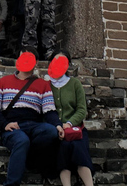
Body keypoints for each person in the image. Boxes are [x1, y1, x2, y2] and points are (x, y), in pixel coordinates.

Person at [0, 49, 64, 186]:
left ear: (35, 63)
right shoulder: (4, 81)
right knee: (21, 140)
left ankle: (27, 155)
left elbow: (49, 111)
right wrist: (4, 124)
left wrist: (58, 125)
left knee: (51, 132)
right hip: (13, 126)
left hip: (35, 126)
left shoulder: (43, 84)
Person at [47, 51, 94, 186]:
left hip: (75, 129)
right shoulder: (46, 85)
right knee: (63, 149)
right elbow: (45, 110)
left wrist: (69, 123)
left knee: (78, 147)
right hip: (55, 129)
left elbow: (81, 109)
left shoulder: (74, 84)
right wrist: (57, 125)